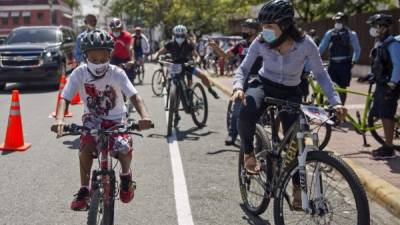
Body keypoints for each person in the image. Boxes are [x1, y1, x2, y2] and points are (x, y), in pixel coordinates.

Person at [232, 0, 346, 209]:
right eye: (263, 26)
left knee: (296, 140)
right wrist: (238, 87)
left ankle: (296, 189)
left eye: (269, 27)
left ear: (285, 26)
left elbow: (321, 74)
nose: (264, 31)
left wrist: (336, 102)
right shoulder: (261, 41)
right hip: (264, 85)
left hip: (291, 92)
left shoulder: (306, 44)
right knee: (246, 109)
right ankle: (248, 153)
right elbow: (244, 68)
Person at [51, 29, 153, 210]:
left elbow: (135, 97)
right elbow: (64, 98)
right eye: (94, 59)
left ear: (110, 55)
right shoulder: (79, 73)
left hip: (116, 119)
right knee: (85, 147)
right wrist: (59, 119)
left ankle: (126, 176)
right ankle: (84, 190)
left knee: (123, 147)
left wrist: (145, 117)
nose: (99, 63)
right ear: (85, 56)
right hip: (92, 118)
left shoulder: (117, 73)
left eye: (104, 58)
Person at [209, 18, 262, 146]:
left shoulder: (263, 43)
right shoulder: (241, 45)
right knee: (237, 107)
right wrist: (216, 48)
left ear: (254, 30)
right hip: (244, 78)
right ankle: (232, 134)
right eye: (243, 28)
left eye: (247, 28)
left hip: (260, 78)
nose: (244, 31)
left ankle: (262, 139)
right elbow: (226, 56)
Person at [366, 14, 400, 160]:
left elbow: (398, 64)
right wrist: (371, 76)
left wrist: (393, 82)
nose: (373, 29)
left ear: (383, 27)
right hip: (381, 83)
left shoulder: (392, 44)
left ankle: (389, 148)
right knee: (379, 112)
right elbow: (378, 64)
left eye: (375, 26)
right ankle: (387, 144)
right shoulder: (380, 43)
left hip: (388, 85)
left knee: (386, 115)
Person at [154, 25, 219, 99]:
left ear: (185, 35)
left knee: (202, 76)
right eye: (178, 35)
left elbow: (196, 55)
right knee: (170, 79)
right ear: (174, 35)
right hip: (175, 66)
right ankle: (174, 93)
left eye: (182, 35)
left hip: (187, 65)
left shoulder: (188, 44)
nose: (180, 37)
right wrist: (155, 56)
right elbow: (159, 52)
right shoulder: (170, 43)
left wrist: (197, 61)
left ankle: (210, 89)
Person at [319, 12, 361, 105]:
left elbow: (357, 49)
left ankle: (341, 110)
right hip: (333, 64)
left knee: (342, 88)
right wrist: (315, 58)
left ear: (345, 21)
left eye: (340, 20)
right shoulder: (330, 33)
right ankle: (332, 108)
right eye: (336, 20)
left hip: (345, 64)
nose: (337, 22)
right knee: (330, 87)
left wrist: (354, 61)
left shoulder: (351, 34)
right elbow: (322, 47)